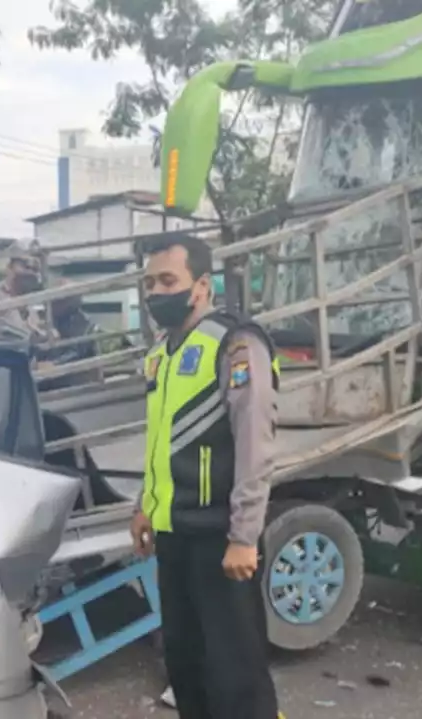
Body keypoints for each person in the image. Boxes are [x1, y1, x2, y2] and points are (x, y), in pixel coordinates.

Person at [129, 235, 282, 719]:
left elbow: (256, 446)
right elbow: (160, 440)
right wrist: (143, 506)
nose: (157, 292)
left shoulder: (235, 344)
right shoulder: (163, 353)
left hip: (219, 540)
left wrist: (244, 536)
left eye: (168, 281)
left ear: (202, 285)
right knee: (186, 664)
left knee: (234, 674)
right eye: (150, 282)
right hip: (174, 537)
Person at [0, 246, 54, 344]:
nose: (30, 272)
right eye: (25, 266)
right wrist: (44, 335)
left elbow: (36, 330)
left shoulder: (28, 305)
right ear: (9, 268)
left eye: (35, 269)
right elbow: (19, 333)